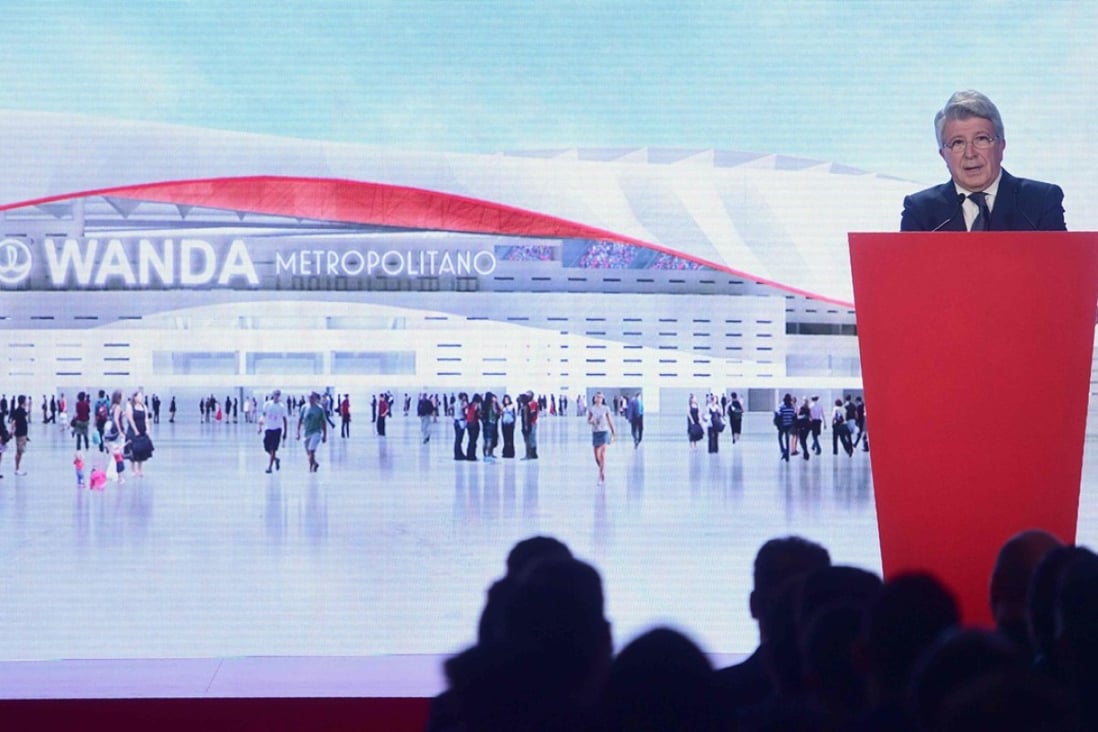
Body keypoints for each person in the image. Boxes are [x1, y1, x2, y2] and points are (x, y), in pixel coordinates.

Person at [901, 90, 1066, 232]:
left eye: (981, 139)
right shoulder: (920, 212)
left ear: (1001, 145)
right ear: (943, 155)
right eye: (957, 143)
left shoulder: (1041, 201)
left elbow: (1060, 266)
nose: (970, 153)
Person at [586, 391, 615, 485]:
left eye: (600, 397)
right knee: (596, 456)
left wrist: (614, 432)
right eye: (597, 397)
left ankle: (601, 475)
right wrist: (592, 421)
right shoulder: (592, 409)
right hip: (595, 432)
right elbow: (588, 421)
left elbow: (610, 420)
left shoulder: (606, 409)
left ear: (603, 399)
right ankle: (601, 468)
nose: (598, 399)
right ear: (594, 398)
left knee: (602, 455)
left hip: (604, 432)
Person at [296, 391, 327, 472]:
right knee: (309, 453)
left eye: (312, 398)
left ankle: (311, 467)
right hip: (306, 433)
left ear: (316, 399)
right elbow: (300, 419)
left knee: (311, 450)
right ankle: (315, 463)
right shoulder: (304, 407)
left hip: (316, 432)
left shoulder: (319, 409)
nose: (311, 399)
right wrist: (298, 432)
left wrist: (325, 435)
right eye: (309, 398)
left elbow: (323, 422)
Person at [260, 389, 288, 473]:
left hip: (277, 429)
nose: (276, 396)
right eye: (275, 394)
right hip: (268, 428)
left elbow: (285, 419)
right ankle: (276, 459)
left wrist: (285, 432)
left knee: (273, 448)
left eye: (278, 395)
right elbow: (263, 415)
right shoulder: (267, 404)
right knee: (266, 447)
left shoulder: (281, 406)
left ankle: (270, 467)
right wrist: (260, 426)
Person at [126, 390, 153, 478]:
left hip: (142, 431)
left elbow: (146, 419)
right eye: (139, 396)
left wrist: (148, 429)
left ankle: (140, 470)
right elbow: (130, 419)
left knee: (141, 450)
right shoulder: (130, 406)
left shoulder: (143, 406)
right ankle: (133, 470)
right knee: (133, 450)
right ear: (135, 397)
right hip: (133, 431)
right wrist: (135, 430)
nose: (141, 398)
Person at [8, 395, 30, 476]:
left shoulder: (21, 410)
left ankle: (17, 468)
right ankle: (17, 469)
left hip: (22, 434)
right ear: (23, 401)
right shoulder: (19, 411)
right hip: (20, 434)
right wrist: (12, 431)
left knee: (20, 452)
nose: (27, 402)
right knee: (19, 452)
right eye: (26, 400)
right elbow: (14, 422)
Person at [499, 394, 517, 459]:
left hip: (510, 423)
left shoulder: (512, 406)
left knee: (511, 438)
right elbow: (501, 414)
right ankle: (505, 452)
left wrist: (514, 423)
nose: (506, 401)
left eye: (507, 399)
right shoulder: (502, 406)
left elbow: (514, 415)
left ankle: (511, 452)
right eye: (505, 399)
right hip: (504, 424)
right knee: (505, 438)